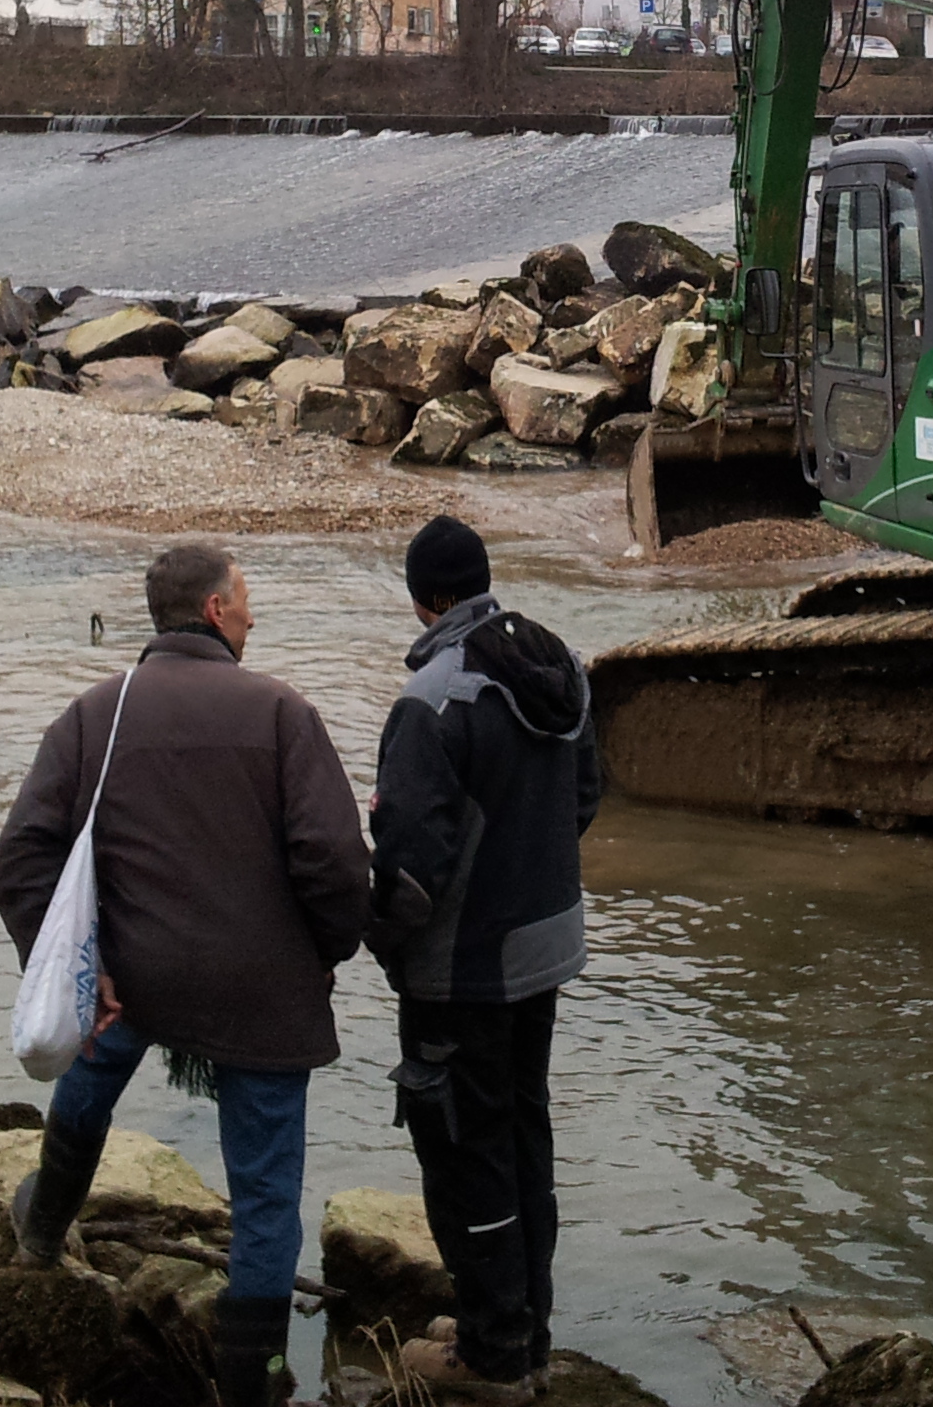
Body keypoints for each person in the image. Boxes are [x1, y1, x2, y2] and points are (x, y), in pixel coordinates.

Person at [0, 542, 366, 1407]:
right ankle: (254, 1384)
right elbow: (336, 863)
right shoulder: (283, 713)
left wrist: (86, 968)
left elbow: (18, 860)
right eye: (245, 600)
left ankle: (41, 1232)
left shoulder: (95, 713)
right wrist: (327, 951)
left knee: (90, 1074)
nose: (253, 616)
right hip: (260, 992)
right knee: (265, 1197)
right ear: (214, 612)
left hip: (136, 977)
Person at [368, 516, 601, 1405]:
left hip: (463, 967)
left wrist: (373, 939)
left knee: (465, 1149)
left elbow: (409, 873)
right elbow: (583, 798)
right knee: (523, 1132)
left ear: (426, 598)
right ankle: (522, 1328)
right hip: (545, 949)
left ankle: (494, 1355)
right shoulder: (557, 662)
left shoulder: (431, 701)